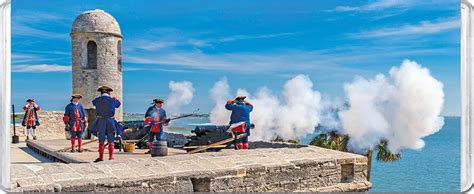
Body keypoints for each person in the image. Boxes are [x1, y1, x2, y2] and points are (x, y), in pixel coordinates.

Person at [91, 86, 121, 162]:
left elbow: (93, 102)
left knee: (101, 140)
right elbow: (118, 104)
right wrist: (116, 99)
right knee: (111, 140)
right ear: (109, 92)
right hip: (110, 121)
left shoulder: (97, 100)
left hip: (101, 121)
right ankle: (111, 157)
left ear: (101, 93)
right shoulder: (112, 100)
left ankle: (101, 157)